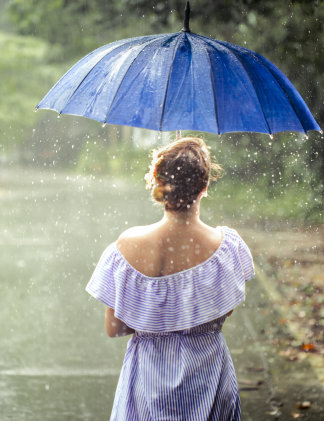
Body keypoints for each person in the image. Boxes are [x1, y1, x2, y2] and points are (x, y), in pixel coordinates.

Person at [86, 137, 255, 420]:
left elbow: (115, 328)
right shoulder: (226, 248)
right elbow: (224, 309)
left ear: (158, 183)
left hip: (148, 381)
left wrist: (155, 320)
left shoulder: (127, 247)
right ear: (204, 186)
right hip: (208, 378)